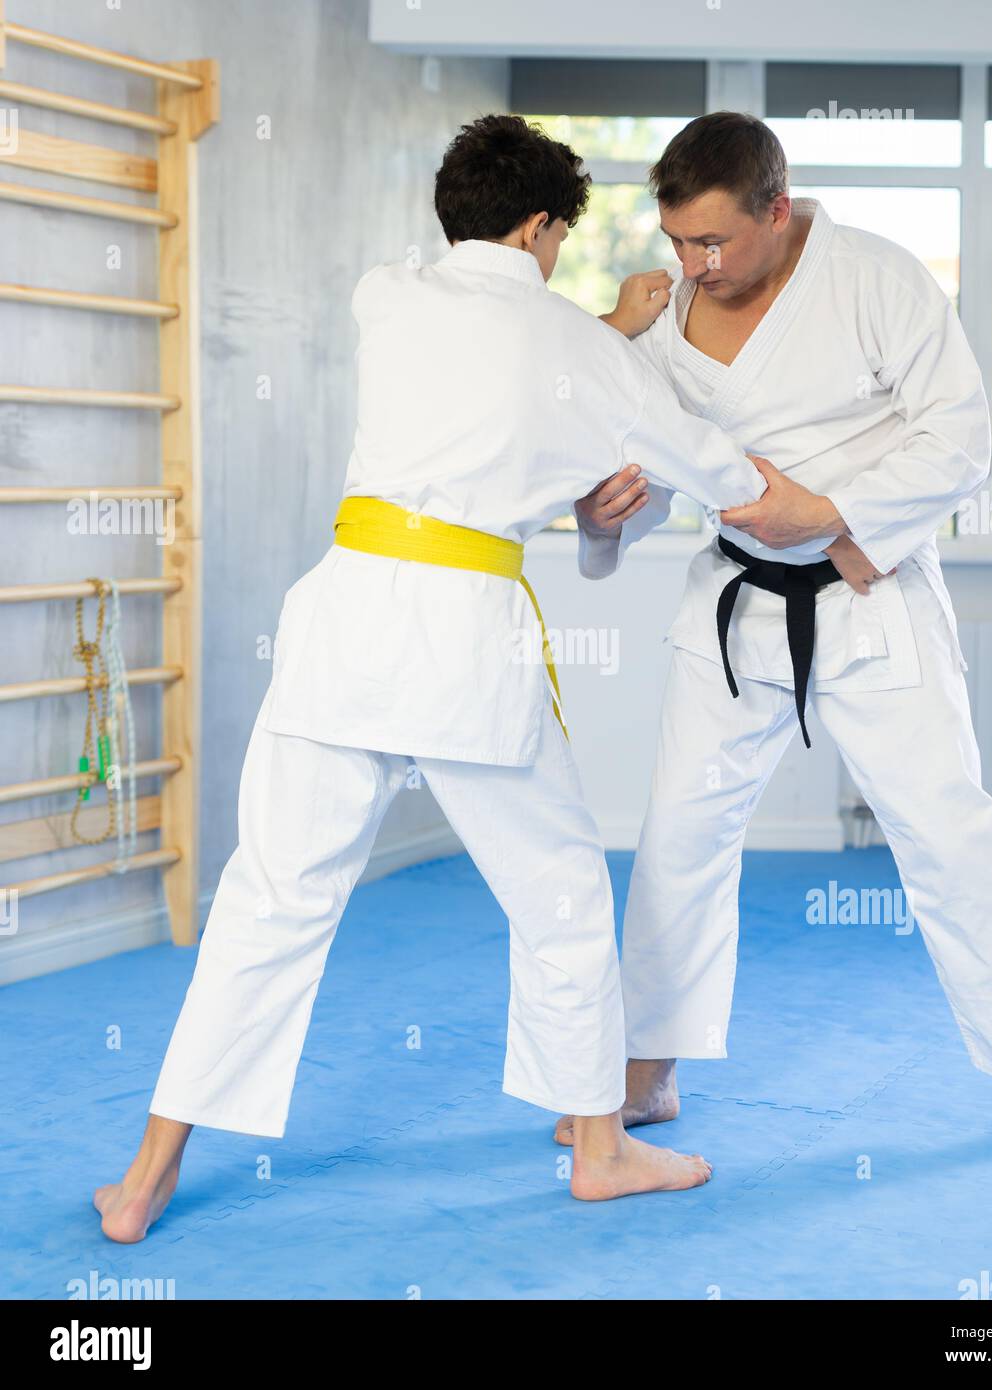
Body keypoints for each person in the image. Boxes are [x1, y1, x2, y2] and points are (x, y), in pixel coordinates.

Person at [93, 113, 785, 1242]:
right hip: (464, 644)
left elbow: (497, 354)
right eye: (557, 235)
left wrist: (598, 332)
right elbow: (704, 465)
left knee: (268, 902)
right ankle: (598, 1149)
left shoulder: (386, 293)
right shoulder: (583, 354)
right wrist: (625, 357)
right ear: (538, 226)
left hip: (343, 625)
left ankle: (143, 1176)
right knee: (560, 892)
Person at [556, 112, 992, 1163]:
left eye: (714, 241)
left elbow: (961, 441)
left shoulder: (875, 279)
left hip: (869, 592)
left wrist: (824, 513)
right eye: (677, 241)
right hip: (731, 603)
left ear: (777, 209)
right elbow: (648, 462)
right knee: (676, 836)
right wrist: (602, 519)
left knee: (949, 835)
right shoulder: (670, 310)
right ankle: (649, 1063)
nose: (692, 265)